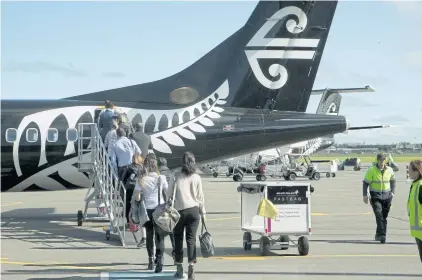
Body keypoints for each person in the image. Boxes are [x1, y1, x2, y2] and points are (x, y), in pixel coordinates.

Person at [167, 151, 206, 280]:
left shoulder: (176, 175)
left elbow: (169, 194)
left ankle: (179, 268)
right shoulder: (196, 177)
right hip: (194, 210)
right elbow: (200, 198)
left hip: (179, 211)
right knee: (191, 239)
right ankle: (191, 267)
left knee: (178, 239)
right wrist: (203, 212)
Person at [134, 153, 168, 272]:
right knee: (160, 236)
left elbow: (137, 197)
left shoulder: (142, 179)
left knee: (149, 235)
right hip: (159, 209)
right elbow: (167, 194)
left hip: (147, 210)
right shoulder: (161, 178)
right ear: (155, 164)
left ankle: (150, 259)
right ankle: (160, 258)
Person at [362, 153, 396, 243]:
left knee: (384, 217)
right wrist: (365, 195)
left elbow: (393, 181)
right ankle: (382, 236)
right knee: (379, 214)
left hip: (387, 197)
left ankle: (378, 234)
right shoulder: (371, 170)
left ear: (386, 161)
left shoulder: (390, 170)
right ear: (377, 160)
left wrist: (392, 192)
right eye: (380, 160)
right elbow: (365, 183)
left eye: (383, 160)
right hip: (375, 196)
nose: (382, 162)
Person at [121, 153, 147, 246]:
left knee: (128, 205)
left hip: (129, 188)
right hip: (138, 188)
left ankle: (129, 222)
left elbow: (123, 179)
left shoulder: (128, 167)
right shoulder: (142, 168)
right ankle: (136, 223)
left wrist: (123, 187)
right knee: (137, 206)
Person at [157, 157, 176, 260]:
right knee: (171, 231)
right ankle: (174, 253)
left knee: (160, 235)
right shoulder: (172, 174)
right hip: (171, 205)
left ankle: (159, 257)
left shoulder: (158, 175)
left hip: (160, 206)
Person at [407, 159, 422, 262]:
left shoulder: (420, 186)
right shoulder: (415, 185)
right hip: (418, 232)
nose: (408, 172)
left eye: (410, 170)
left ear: (417, 171)